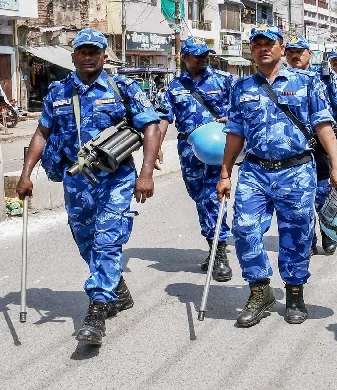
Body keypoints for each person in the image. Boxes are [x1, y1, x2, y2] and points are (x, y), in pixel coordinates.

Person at [15, 28, 162, 345]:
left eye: (94, 51)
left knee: (107, 240)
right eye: (83, 51)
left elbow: (150, 125)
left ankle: (97, 310)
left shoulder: (122, 87)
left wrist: (146, 172)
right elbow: (42, 133)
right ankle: (116, 289)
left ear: (104, 56)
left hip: (115, 178)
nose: (88, 56)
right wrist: (26, 174)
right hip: (76, 180)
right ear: (73, 56)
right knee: (86, 243)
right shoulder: (58, 92)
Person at [216, 25, 337, 327]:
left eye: (269, 43)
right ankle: (259, 290)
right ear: (251, 50)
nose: (263, 48)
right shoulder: (242, 87)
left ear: (281, 48)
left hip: (296, 170)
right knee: (245, 230)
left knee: (297, 234)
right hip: (254, 171)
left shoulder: (307, 82)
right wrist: (224, 173)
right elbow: (234, 132)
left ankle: (295, 292)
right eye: (257, 44)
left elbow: (323, 125)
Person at [158, 37, 233, 282]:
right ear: (184, 58)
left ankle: (219, 252)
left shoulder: (224, 80)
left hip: (217, 147)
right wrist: (156, 147)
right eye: (197, 56)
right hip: (189, 150)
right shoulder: (174, 87)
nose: (203, 59)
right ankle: (213, 246)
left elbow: (242, 107)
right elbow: (163, 118)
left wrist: (231, 120)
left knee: (213, 196)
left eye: (206, 55)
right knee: (200, 198)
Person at [285, 35, 337, 255]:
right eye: (290, 52)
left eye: (300, 52)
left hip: (322, 144)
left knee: (323, 192)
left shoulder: (324, 76)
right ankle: (309, 237)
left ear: (309, 54)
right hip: (294, 149)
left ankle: (327, 231)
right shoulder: (280, 78)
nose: (295, 56)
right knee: (299, 197)